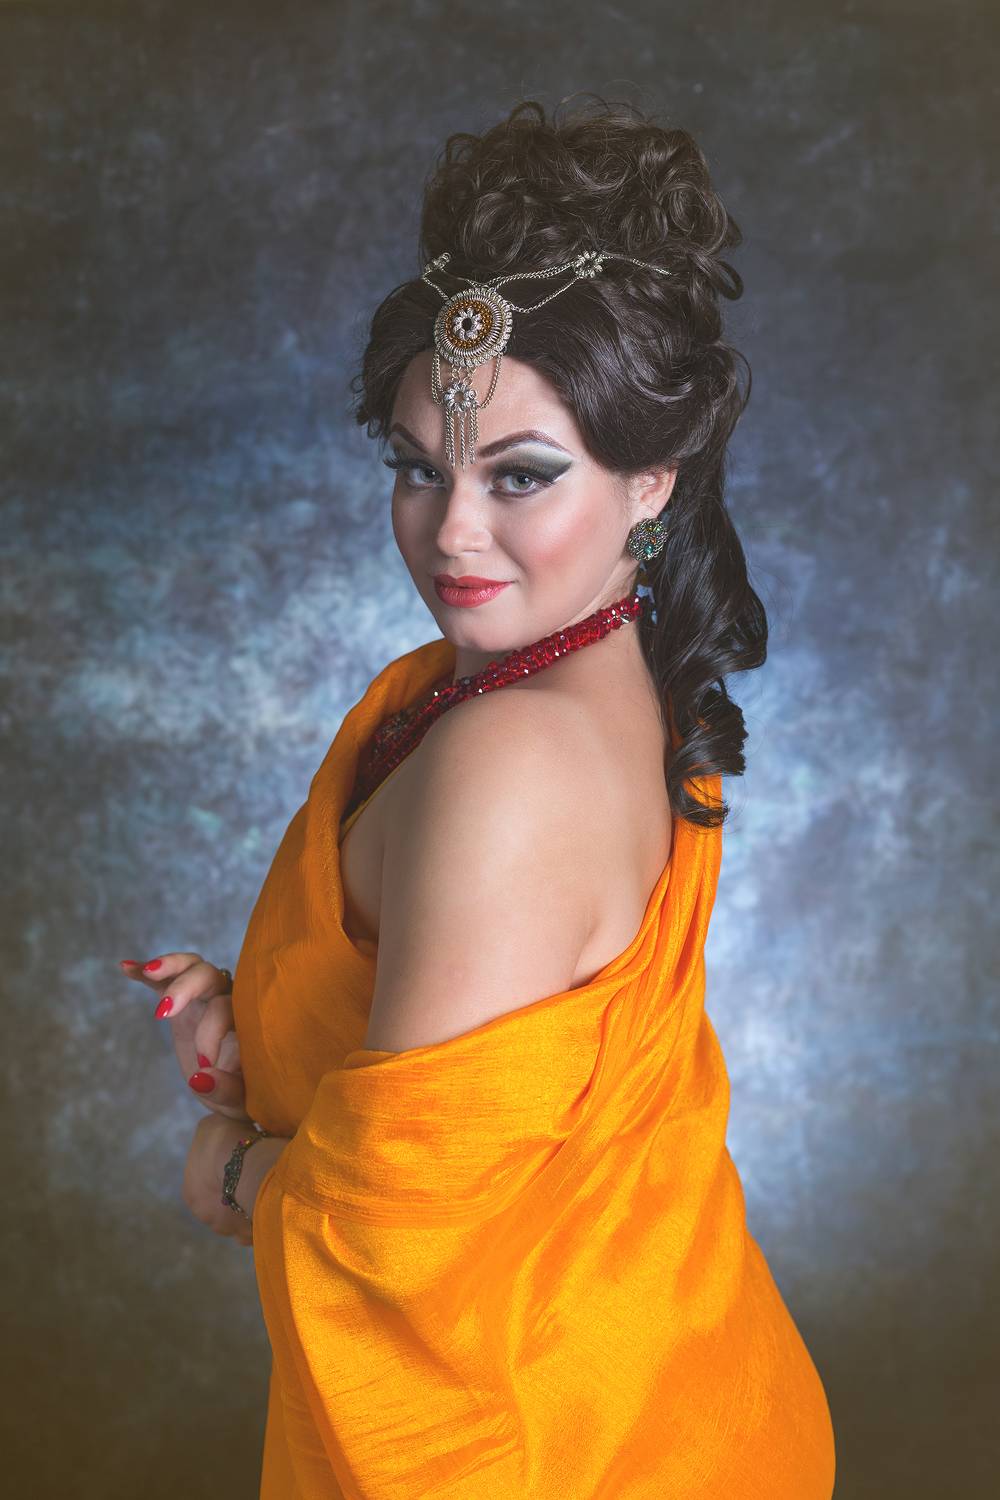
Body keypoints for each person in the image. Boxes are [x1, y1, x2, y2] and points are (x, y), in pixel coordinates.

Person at [121, 96, 836, 1497]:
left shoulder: (510, 757)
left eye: (521, 475)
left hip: (561, 1450)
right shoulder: (575, 686)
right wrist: (274, 1016)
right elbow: (500, 1081)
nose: (451, 532)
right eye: (416, 468)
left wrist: (235, 1170)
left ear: (652, 481)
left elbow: (391, 1241)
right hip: (679, 1397)